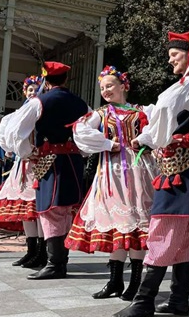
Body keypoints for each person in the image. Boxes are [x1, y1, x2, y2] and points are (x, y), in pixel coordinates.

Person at [112, 31, 189, 317]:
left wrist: (146, 139)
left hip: (178, 165)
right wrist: (148, 138)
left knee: (163, 228)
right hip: (183, 162)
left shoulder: (188, 84)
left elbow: (163, 117)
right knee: (181, 235)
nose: (170, 60)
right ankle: (178, 299)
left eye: (175, 54)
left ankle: (144, 300)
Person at [66, 66, 157, 300]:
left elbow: (160, 127)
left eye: (110, 85)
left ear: (123, 86)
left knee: (135, 223)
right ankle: (115, 281)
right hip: (111, 174)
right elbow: (79, 130)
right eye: (102, 87)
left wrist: (142, 139)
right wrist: (107, 144)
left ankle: (135, 282)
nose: (105, 90)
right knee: (118, 222)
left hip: (139, 173)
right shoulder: (101, 113)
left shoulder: (142, 111)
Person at [0, 61, 88, 280]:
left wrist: (26, 151)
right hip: (74, 160)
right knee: (66, 209)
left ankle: (55, 263)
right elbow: (90, 131)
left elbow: (16, 130)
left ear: (46, 81)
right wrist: (83, 152)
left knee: (50, 209)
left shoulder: (39, 102)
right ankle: (59, 261)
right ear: (65, 80)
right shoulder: (81, 103)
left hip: (50, 161)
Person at [0, 77, 47, 269]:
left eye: (36, 89)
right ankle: (31, 250)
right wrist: (11, 149)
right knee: (25, 210)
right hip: (23, 165)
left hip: (40, 164)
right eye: (30, 90)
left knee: (39, 209)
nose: (33, 93)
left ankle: (42, 251)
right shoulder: (18, 114)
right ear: (24, 92)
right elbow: (8, 137)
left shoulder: (44, 111)